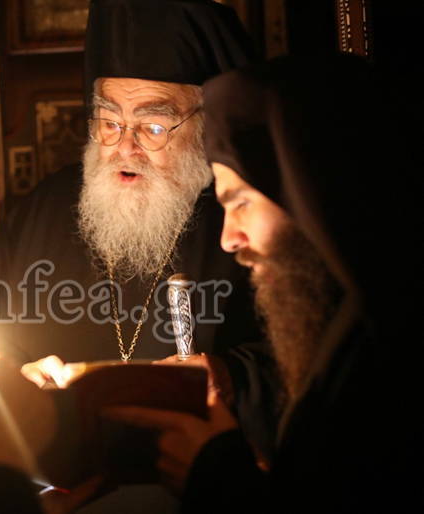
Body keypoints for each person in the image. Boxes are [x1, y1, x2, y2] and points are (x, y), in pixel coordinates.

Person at [0, 0, 280, 503]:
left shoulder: (250, 219)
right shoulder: (39, 214)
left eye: (153, 127)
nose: (124, 147)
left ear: (205, 124)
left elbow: (309, 370)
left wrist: (231, 378)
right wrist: (14, 380)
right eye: (109, 121)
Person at [105, 53, 422, 512]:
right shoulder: (350, 329)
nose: (229, 238)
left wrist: (216, 473)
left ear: (309, 188)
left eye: (242, 203)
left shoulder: (390, 349)